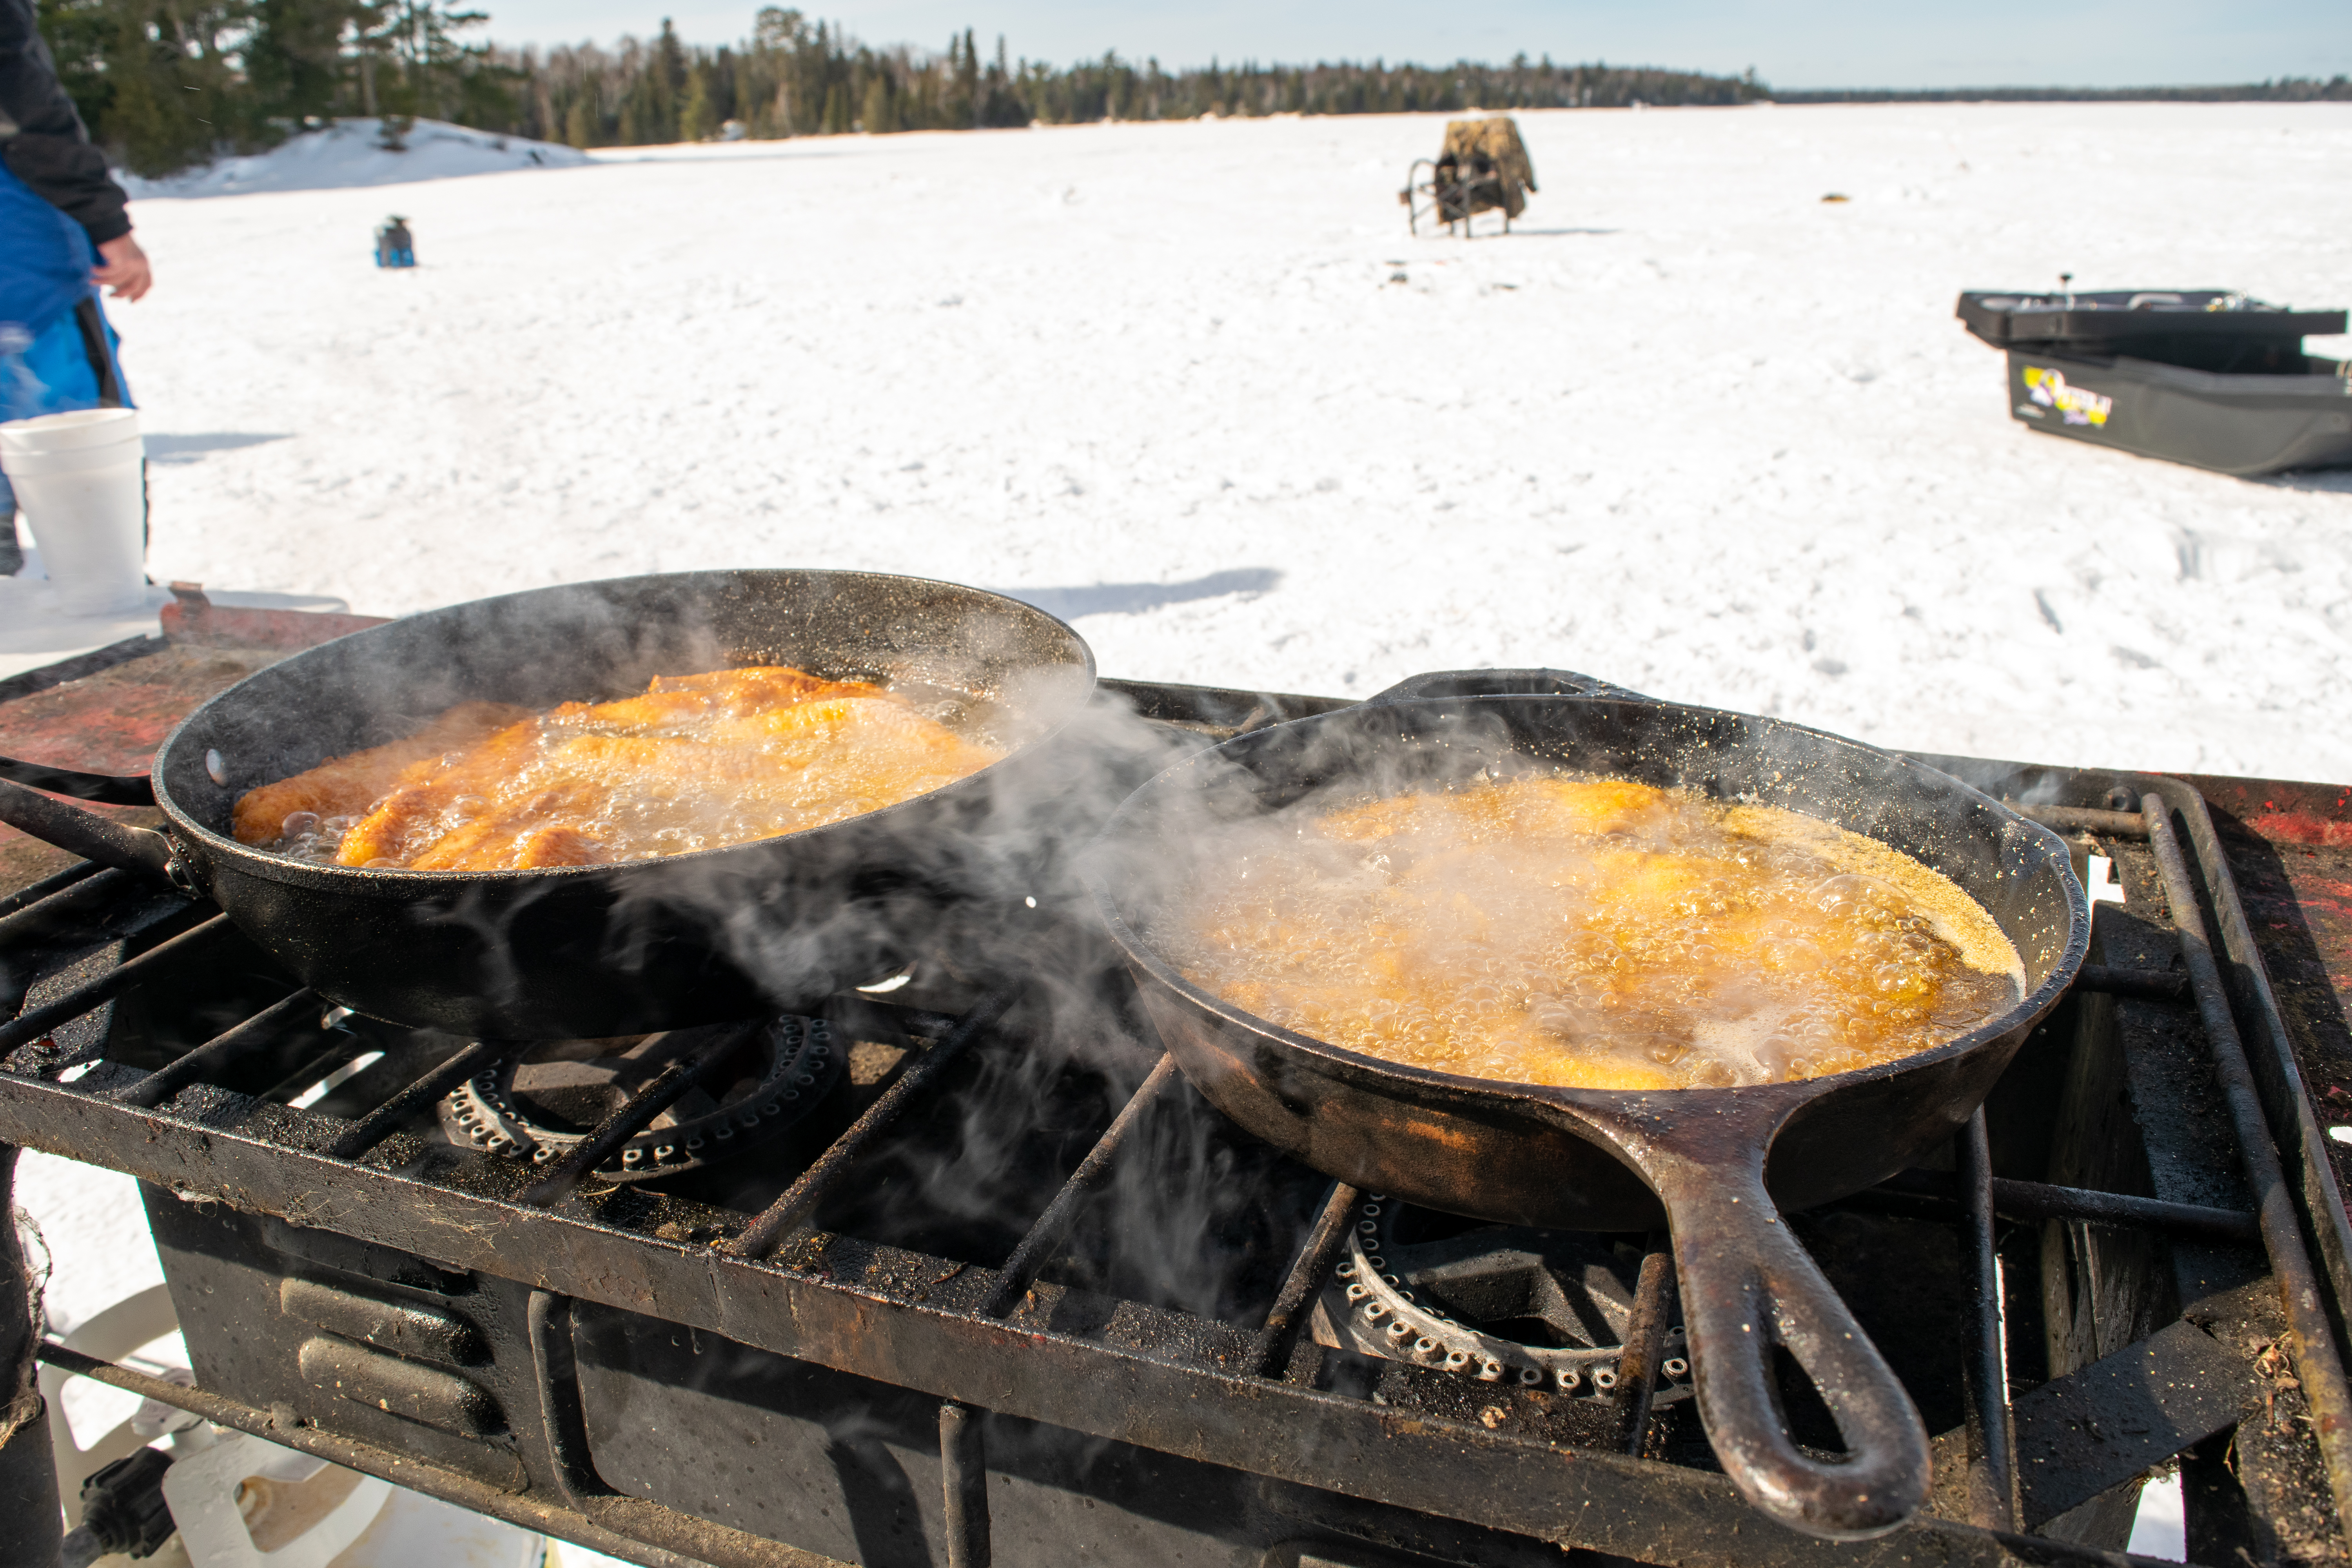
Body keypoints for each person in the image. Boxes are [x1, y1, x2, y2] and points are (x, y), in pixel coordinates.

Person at [0, 0, 153, 575]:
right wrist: (108, 225)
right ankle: (105, 597)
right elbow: (20, 104)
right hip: (19, 249)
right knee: (76, 428)